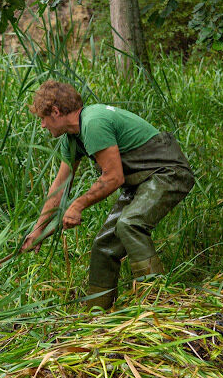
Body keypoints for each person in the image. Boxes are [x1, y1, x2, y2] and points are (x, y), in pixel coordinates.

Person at [21, 80, 194, 310]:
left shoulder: (93, 122)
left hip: (167, 173)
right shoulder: (71, 139)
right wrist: (38, 229)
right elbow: (60, 187)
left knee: (130, 223)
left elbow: (113, 178)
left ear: (56, 111)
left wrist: (78, 205)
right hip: (141, 181)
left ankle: (157, 301)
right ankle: (96, 313)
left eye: (43, 118)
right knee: (104, 245)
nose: (42, 125)